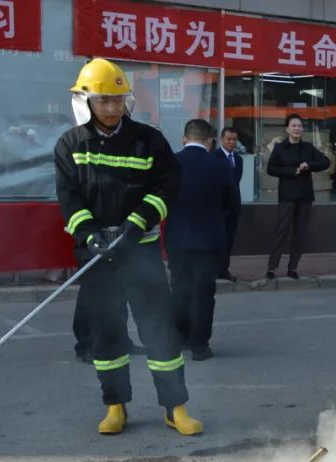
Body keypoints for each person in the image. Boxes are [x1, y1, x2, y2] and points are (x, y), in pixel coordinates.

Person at [54, 58, 202, 436]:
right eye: (104, 100)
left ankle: (175, 408)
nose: (112, 108)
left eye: (118, 100)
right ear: (85, 102)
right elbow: (69, 199)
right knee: (106, 333)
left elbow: (167, 187)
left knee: (160, 332)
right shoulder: (70, 145)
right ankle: (116, 406)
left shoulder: (148, 140)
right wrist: (90, 235)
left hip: (142, 252)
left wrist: (135, 225)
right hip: (98, 257)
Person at [165, 119, 235, 362]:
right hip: (209, 238)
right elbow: (232, 203)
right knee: (204, 293)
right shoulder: (220, 164)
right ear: (210, 141)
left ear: (185, 138)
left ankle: (179, 338)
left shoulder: (171, 162)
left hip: (177, 238)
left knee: (179, 289)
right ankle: (200, 345)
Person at [264, 113, 331, 280]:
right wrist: (291, 171)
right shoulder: (280, 148)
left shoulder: (308, 147)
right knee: (281, 231)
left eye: (300, 126)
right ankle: (272, 267)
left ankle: (293, 267)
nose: (297, 129)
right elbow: (271, 169)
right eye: (294, 126)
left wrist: (309, 165)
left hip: (305, 196)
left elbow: (325, 162)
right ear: (287, 129)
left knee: (300, 233)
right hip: (287, 195)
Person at [214, 126, 243, 281]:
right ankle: (215, 269)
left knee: (229, 240)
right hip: (218, 207)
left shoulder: (238, 160)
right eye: (229, 139)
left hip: (233, 208)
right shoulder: (214, 157)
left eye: (234, 139)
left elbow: (235, 183)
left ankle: (224, 269)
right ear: (221, 139)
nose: (232, 142)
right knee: (218, 240)